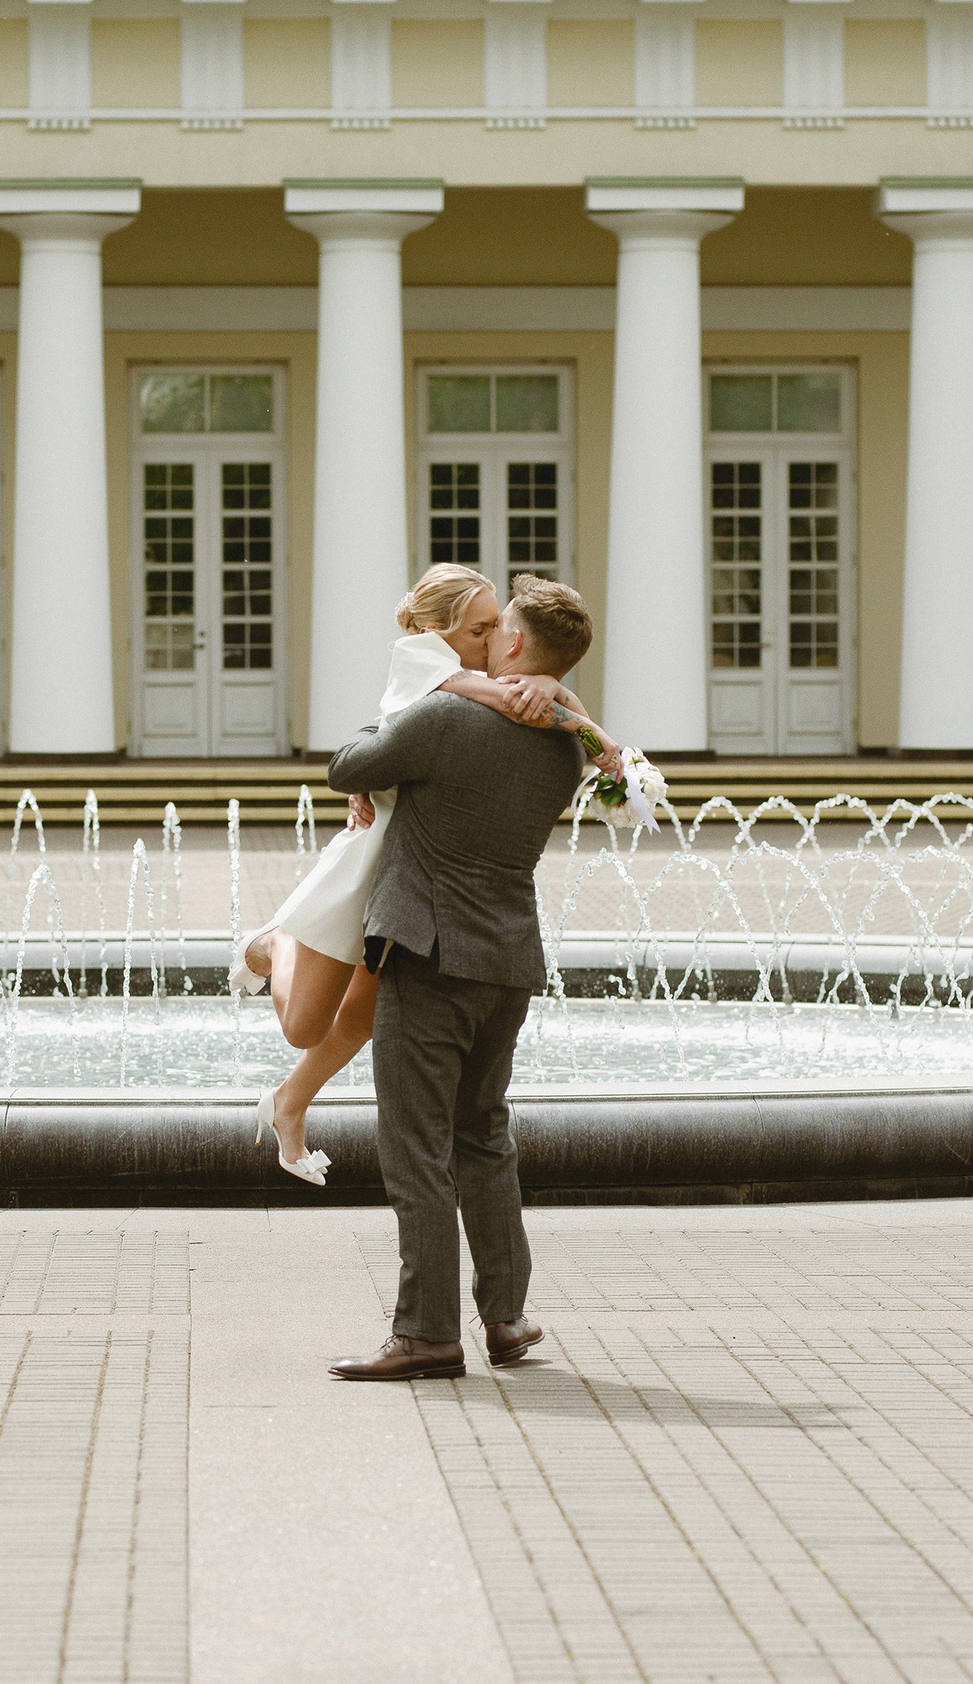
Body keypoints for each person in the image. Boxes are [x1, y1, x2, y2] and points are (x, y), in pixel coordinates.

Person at [232, 565, 623, 1186]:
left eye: (500, 625)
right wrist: (575, 711)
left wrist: (558, 695)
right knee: (303, 1025)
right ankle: (278, 941)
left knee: (363, 1016)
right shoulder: (424, 662)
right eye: (482, 628)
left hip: (408, 881)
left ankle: (289, 1103)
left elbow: (493, 702)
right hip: (371, 864)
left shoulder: (467, 675)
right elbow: (495, 699)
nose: (497, 637)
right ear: (439, 632)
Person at [322, 575, 598, 1382]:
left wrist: (417, 700)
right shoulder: (565, 743)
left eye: (495, 629)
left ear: (513, 644)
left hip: (428, 953)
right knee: (484, 1137)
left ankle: (427, 1333)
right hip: (508, 960)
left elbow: (348, 765)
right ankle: (506, 1318)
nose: (482, 641)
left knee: (415, 1148)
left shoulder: (442, 719)